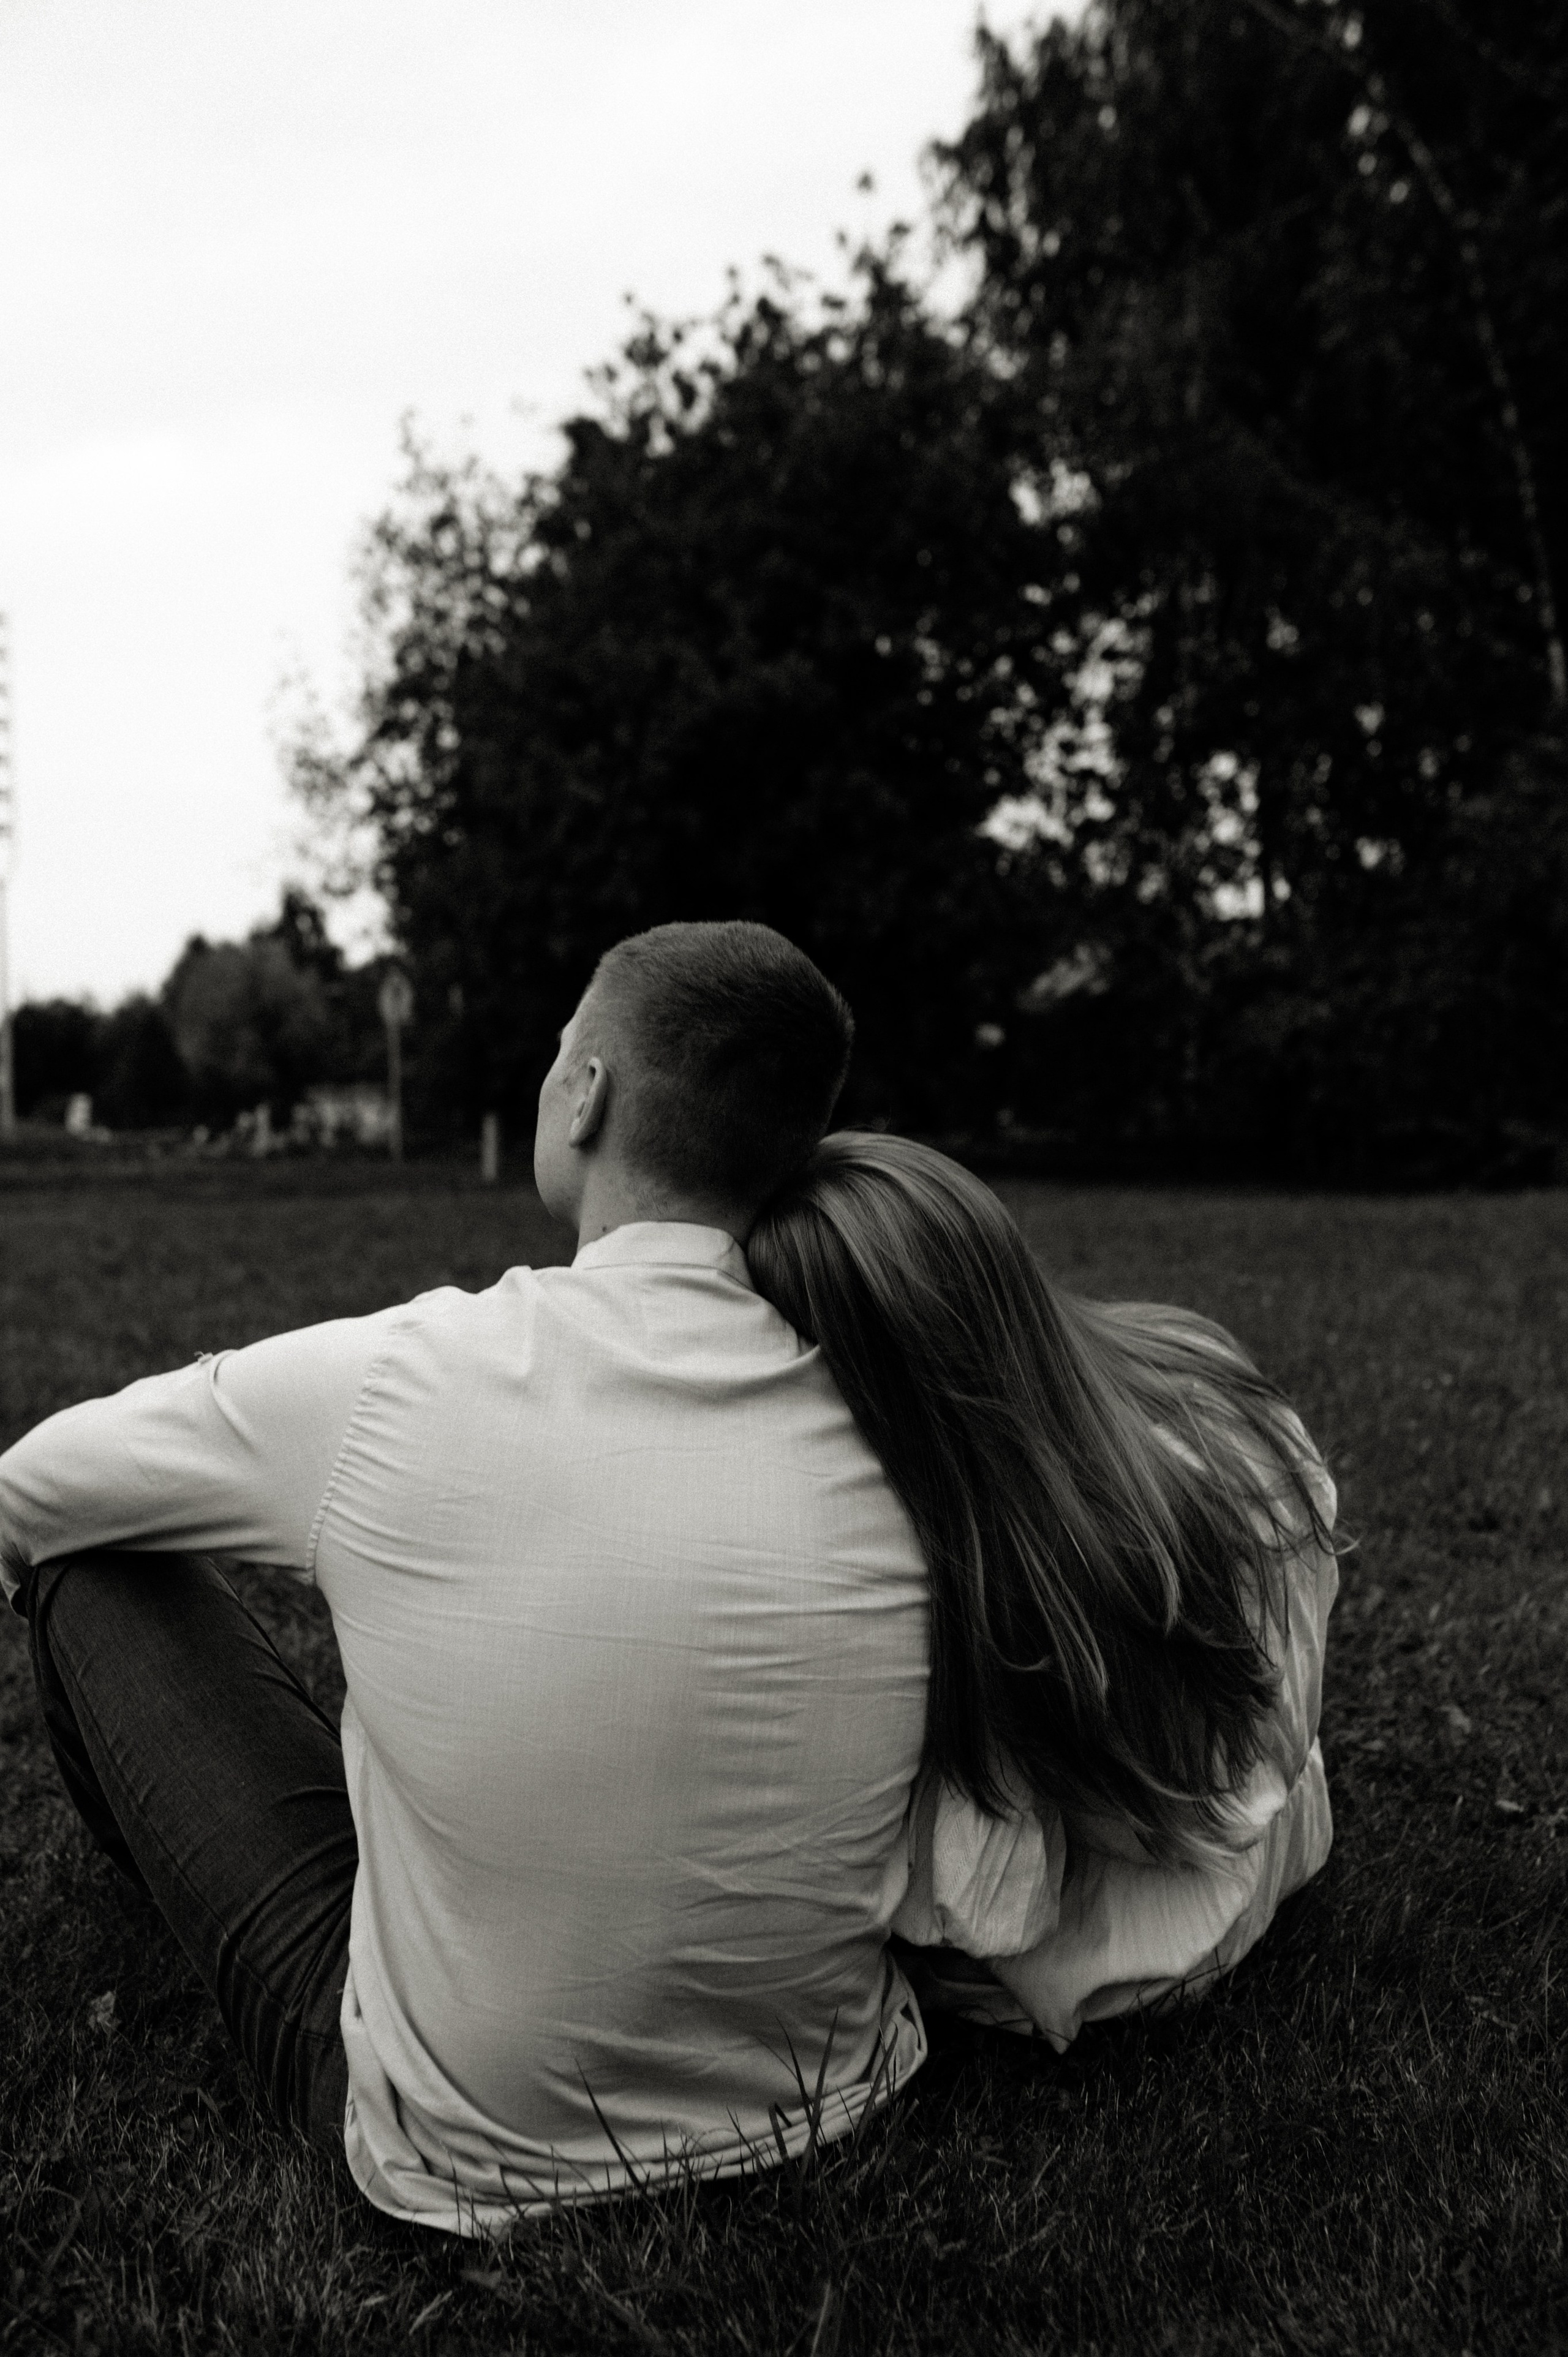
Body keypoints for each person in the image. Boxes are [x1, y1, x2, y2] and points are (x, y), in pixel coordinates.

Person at [0, 922, 935, 2233]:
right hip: (830, 2092)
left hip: (462, 2153)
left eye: (563, 1050)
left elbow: (34, 1487)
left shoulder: (413, 1372)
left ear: (588, 1093)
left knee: (91, 1568)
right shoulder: (895, 1399)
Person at [746, 1131, 1339, 2048]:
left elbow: (990, 1916)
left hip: (1104, 1966)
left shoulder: (962, 1582)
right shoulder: (1190, 1387)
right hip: (1264, 1832)